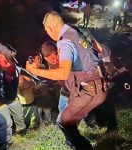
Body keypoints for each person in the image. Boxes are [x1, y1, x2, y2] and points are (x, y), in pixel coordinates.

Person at [26, 11, 108, 149]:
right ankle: (81, 141)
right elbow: (100, 49)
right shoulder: (79, 30)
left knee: (62, 121)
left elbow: (63, 73)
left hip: (89, 90)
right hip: (101, 85)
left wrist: (33, 71)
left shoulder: (64, 42)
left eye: (47, 31)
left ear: (51, 28)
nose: (48, 34)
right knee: (71, 119)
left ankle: (82, 146)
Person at [32, 52, 53, 125]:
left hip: (45, 96)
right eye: (38, 59)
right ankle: (40, 128)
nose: (40, 60)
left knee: (47, 113)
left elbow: (49, 81)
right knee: (38, 114)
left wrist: (50, 87)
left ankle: (49, 129)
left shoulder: (44, 68)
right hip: (36, 97)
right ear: (33, 60)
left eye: (40, 58)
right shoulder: (30, 70)